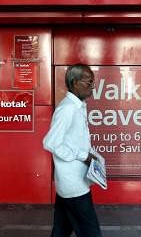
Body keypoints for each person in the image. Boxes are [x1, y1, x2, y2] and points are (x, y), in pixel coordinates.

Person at [43, 64, 102, 237]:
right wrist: (83, 155)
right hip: (74, 184)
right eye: (89, 82)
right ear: (75, 83)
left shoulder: (77, 106)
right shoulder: (68, 108)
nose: (92, 86)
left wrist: (91, 154)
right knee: (91, 231)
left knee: (62, 229)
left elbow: (73, 139)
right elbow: (51, 142)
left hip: (71, 183)